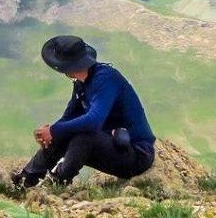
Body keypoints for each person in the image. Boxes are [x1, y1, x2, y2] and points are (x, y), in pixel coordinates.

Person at [11, 35, 156, 188]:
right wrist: (48, 133)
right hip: (113, 145)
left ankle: (59, 182)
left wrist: (55, 130)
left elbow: (94, 121)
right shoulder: (81, 84)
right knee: (64, 132)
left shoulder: (106, 79)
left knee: (84, 134)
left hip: (136, 155)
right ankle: (26, 180)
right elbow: (68, 118)